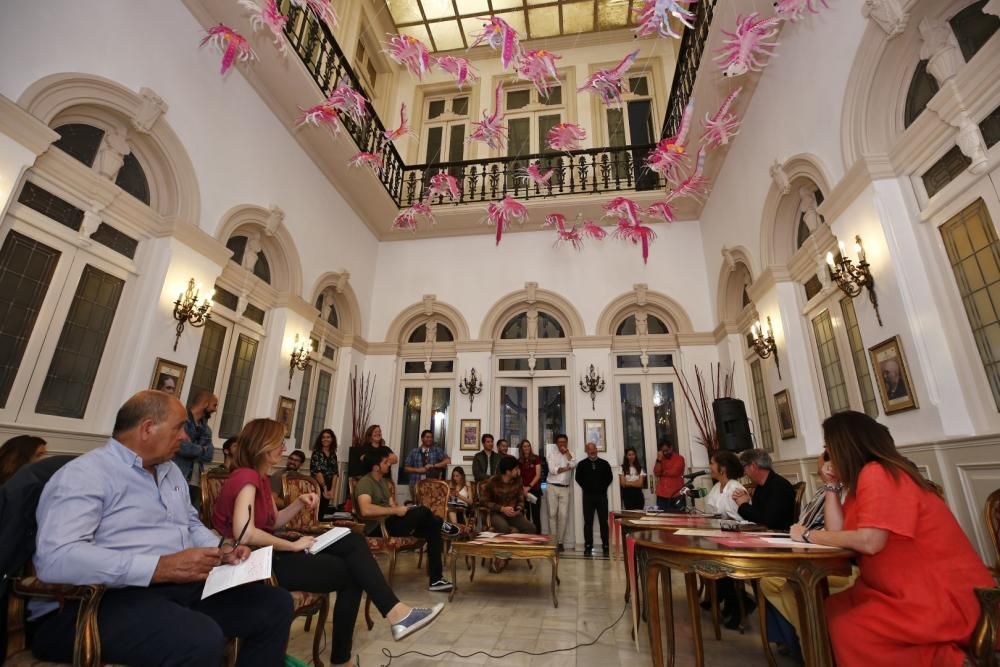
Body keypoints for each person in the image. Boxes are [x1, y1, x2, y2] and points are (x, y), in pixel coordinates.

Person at [31, 391, 293, 666]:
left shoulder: (169, 472)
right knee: (200, 638)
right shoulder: (86, 474)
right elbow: (57, 558)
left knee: (274, 605)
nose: (185, 437)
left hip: (173, 589)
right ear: (147, 428)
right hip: (96, 603)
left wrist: (222, 549)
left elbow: (190, 522)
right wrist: (159, 567)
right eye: (179, 428)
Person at [213, 420, 443, 664]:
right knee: (353, 566)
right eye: (279, 442)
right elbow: (245, 532)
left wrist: (299, 502)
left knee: (353, 545)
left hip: (270, 552)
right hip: (257, 563)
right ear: (263, 446)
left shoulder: (260, 478)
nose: (284, 447)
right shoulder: (246, 476)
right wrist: (293, 545)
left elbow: (274, 521)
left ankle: (393, 616)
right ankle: (382, 625)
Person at [789, 411, 994, 667]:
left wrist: (807, 535)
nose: (826, 456)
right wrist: (831, 486)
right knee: (832, 610)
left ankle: (949, 660)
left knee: (848, 625)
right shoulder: (863, 480)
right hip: (894, 588)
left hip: (932, 593)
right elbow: (839, 533)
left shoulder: (879, 473)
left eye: (829, 449)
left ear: (845, 446)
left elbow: (870, 542)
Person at [355, 447, 455, 592]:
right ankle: (442, 524)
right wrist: (396, 510)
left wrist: (401, 510)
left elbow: (391, 505)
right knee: (423, 510)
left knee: (433, 529)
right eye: (385, 462)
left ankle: (436, 580)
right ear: (376, 467)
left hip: (392, 522)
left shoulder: (382, 482)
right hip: (378, 528)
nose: (389, 464)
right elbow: (365, 509)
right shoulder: (365, 482)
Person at [173, 390, 218, 508]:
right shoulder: (181, 420)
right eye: (214, 405)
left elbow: (210, 455)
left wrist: (194, 448)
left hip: (196, 482)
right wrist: (202, 449)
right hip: (178, 477)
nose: (215, 409)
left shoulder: (207, 430)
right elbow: (181, 447)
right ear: (205, 403)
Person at [733, 449, 796, 530]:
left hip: (779, 536)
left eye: (744, 467)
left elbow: (768, 521)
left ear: (753, 466)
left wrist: (743, 505)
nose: (744, 473)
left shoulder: (779, 486)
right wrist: (747, 501)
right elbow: (757, 516)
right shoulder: (761, 486)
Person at [575, 442, 613, 557]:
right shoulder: (581, 464)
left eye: (594, 449)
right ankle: (588, 546)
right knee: (588, 522)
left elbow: (609, 478)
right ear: (586, 451)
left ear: (597, 450)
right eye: (589, 449)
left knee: (603, 522)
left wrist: (601, 488)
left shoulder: (605, 463)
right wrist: (587, 487)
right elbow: (578, 478)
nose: (592, 451)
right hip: (588, 497)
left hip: (601, 497)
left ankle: (606, 546)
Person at [482, 456, 537, 534]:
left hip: (513, 514)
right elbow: (484, 501)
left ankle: (519, 545)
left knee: (531, 528)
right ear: (508, 471)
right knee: (504, 528)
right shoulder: (493, 482)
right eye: (516, 469)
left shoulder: (518, 480)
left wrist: (518, 508)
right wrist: (502, 509)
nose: (518, 471)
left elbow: (520, 498)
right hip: (496, 513)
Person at [545, 434, 574, 552]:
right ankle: (553, 541)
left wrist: (567, 455)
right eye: (560, 442)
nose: (562, 444)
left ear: (567, 443)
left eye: (564, 442)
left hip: (565, 488)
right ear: (556, 443)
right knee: (552, 514)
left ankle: (560, 542)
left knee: (563, 515)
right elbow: (553, 470)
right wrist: (566, 468)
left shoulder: (570, 453)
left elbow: (573, 464)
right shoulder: (551, 454)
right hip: (552, 486)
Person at [404, 429, 451, 500]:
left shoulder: (436, 450)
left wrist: (433, 465)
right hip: (416, 484)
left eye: (431, 437)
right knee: (416, 507)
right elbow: (406, 468)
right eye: (427, 437)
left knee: (431, 506)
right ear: (422, 438)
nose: (429, 439)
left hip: (432, 484)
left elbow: (448, 460)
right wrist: (418, 470)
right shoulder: (414, 452)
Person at [705, 450, 747, 522]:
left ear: (723, 468)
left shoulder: (735, 489)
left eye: (712, 463)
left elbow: (740, 520)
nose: (709, 466)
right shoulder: (716, 487)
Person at [310, 429, 339, 518]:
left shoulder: (333, 454)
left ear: (332, 439)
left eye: (328, 437)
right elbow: (317, 472)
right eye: (323, 437)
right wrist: (325, 489)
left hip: (329, 485)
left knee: (323, 512)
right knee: (315, 512)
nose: (325, 439)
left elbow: (335, 473)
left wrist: (332, 490)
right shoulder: (316, 453)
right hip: (318, 485)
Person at [518, 439, 543, 533]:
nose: (527, 448)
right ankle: (527, 539)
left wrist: (528, 487)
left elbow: (538, 475)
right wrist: (523, 488)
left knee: (536, 516)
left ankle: (538, 539)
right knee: (525, 516)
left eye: (528, 446)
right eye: (524, 446)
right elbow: (518, 476)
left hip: (535, 490)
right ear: (521, 448)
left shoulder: (536, 458)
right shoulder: (519, 460)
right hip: (523, 492)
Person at [653, 440, 685, 510]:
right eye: (663, 451)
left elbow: (674, 472)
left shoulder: (679, 458)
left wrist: (663, 472)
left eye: (666, 450)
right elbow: (657, 473)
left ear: (671, 448)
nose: (665, 453)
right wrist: (658, 460)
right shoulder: (660, 459)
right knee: (662, 518)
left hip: (676, 494)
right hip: (662, 494)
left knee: (678, 518)